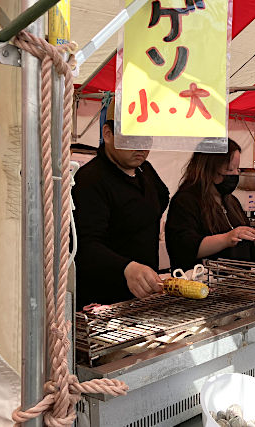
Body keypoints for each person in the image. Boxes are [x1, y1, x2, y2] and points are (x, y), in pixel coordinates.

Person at [72, 100, 169, 310]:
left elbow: (163, 196)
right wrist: (127, 267)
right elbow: (85, 246)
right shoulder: (90, 179)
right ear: (108, 134)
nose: (141, 147)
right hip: (104, 299)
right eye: (133, 137)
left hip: (143, 295)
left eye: (147, 138)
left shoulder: (146, 170)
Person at [165, 139, 255, 271]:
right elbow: (184, 248)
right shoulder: (186, 201)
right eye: (229, 169)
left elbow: (244, 242)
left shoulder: (231, 201)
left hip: (235, 284)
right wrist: (227, 238)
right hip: (201, 284)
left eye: (237, 169)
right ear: (209, 168)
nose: (236, 174)